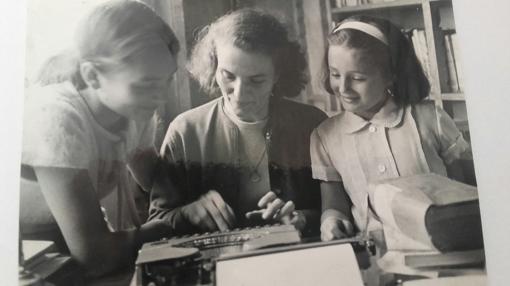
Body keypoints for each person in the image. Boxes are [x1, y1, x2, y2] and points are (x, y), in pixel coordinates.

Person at [20, 0, 180, 278]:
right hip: (26, 253)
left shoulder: (136, 110)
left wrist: (194, 203)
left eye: (167, 81)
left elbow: (156, 182)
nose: (161, 98)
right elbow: (93, 256)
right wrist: (174, 224)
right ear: (92, 75)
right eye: (147, 85)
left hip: (70, 247)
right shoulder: (57, 118)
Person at [149, 9, 327, 236]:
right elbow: (157, 221)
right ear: (213, 67)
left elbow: (344, 208)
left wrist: (302, 218)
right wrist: (187, 213)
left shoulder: (312, 124)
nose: (240, 94)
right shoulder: (185, 131)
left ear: (278, 75)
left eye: (257, 80)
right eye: (228, 76)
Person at [310, 15, 472, 242]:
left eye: (357, 78)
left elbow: (465, 189)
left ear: (390, 76)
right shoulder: (325, 136)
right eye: (335, 74)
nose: (343, 88)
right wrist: (331, 221)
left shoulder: (429, 119)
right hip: (376, 253)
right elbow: (334, 204)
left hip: (445, 247)